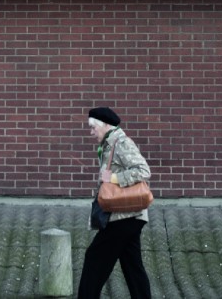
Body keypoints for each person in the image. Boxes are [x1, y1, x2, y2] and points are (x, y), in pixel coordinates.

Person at [78, 107, 152, 299]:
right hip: (129, 216)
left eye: (93, 127)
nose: (91, 132)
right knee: (132, 267)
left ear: (106, 125)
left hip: (123, 216)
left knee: (94, 258)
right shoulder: (110, 144)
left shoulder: (121, 143)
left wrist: (114, 178)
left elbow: (144, 171)